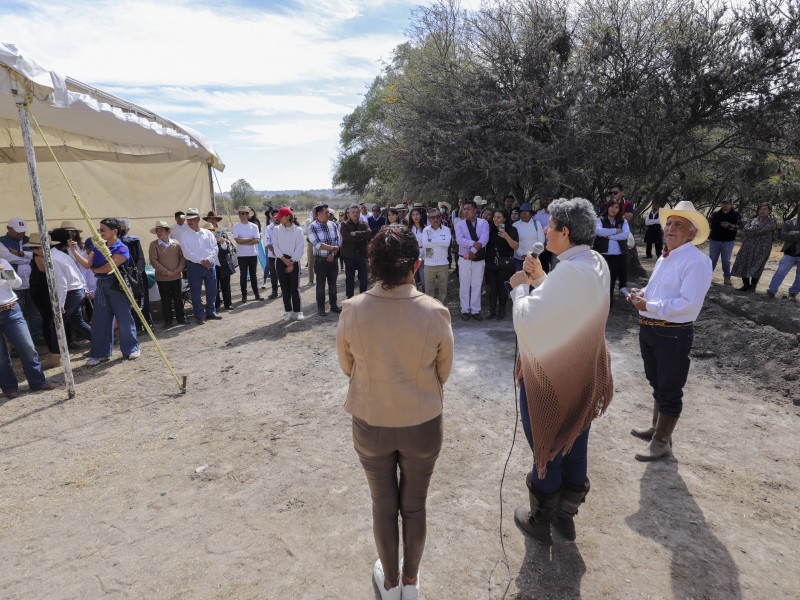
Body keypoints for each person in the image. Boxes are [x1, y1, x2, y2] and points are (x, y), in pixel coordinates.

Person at [336, 226, 453, 600]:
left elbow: (346, 365)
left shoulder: (352, 309)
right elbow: (444, 372)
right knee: (414, 507)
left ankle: (389, 585)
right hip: (422, 423)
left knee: (383, 506)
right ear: (416, 264)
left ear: (373, 267)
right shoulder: (435, 312)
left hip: (371, 422)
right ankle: (412, 583)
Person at [510, 197, 613, 544]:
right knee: (575, 441)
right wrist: (541, 279)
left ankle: (541, 520)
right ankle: (565, 518)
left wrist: (520, 289)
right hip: (584, 374)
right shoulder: (594, 261)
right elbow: (565, 303)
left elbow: (529, 319)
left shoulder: (571, 270)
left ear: (565, 232)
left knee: (549, 445)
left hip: (554, 378)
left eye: (550, 226)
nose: (545, 231)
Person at [627, 200, 712, 461]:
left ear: (692, 232)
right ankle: (657, 429)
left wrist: (648, 303)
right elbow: (660, 292)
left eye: (679, 225)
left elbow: (689, 304)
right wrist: (642, 294)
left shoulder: (697, 262)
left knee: (670, 388)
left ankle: (662, 441)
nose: (670, 229)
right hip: (651, 329)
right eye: (668, 223)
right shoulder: (668, 256)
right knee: (658, 382)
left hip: (672, 333)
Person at [69, 218, 141, 365]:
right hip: (101, 286)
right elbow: (87, 264)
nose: (100, 232)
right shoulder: (98, 247)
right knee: (101, 321)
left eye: (103, 230)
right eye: (99, 230)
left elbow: (110, 267)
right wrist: (74, 251)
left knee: (124, 318)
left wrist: (95, 270)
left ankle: (131, 348)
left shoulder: (122, 248)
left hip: (118, 285)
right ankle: (100, 353)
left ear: (114, 231)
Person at [0, 256, 56, 399]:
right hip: (10, 310)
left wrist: (4, 273)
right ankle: (9, 388)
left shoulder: (2, 262)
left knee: (27, 347)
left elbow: (18, 283)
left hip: (11, 309)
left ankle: (38, 382)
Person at [47, 228, 93, 350]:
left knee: (56, 324)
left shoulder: (54, 258)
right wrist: (84, 288)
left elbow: (62, 283)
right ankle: (100, 340)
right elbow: (77, 273)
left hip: (71, 292)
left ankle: (56, 354)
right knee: (76, 321)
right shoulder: (62, 255)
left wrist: (60, 303)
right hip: (76, 291)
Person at [0, 217, 41, 342]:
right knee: (19, 314)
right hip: (13, 286)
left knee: (36, 312)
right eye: (18, 231)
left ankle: (38, 337)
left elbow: (37, 255)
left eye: (23, 231)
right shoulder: (1, 241)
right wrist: (28, 257)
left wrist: (20, 253)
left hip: (32, 282)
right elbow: (8, 258)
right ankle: (18, 342)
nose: (21, 234)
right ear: (8, 229)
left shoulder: (30, 240)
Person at [179, 208, 221, 324]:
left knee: (212, 290)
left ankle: (210, 312)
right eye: (188, 220)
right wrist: (202, 261)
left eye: (191, 219)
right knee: (195, 292)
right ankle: (199, 315)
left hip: (209, 265)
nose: (189, 222)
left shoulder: (208, 233)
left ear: (197, 219)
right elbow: (187, 252)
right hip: (195, 266)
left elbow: (214, 248)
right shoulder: (185, 236)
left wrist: (209, 260)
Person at [455, 198, 489, 320]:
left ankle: (475, 310)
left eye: (469, 209)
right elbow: (460, 240)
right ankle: (465, 309)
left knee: (476, 284)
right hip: (464, 258)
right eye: (464, 209)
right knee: (464, 284)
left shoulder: (483, 223)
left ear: (475, 210)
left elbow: (484, 239)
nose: (466, 211)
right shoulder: (459, 224)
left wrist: (473, 252)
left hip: (478, 259)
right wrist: (474, 244)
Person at [148, 220, 186, 327]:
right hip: (163, 278)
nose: (159, 233)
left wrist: (178, 269)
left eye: (162, 230)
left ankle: (181, 318)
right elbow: (153, 261)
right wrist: (166, 272)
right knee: (165, 300)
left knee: (178, 298)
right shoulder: (153, 245)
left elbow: (182, 258)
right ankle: (168, 321)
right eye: (157, 231)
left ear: (168, 231)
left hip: (177, 276)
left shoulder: (176, 243)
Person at [731, 203, 776, 292]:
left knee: (758, 266)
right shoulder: (752, 220)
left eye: (765, 209)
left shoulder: (772, 221)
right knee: (744, 263)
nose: (762, 211)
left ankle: (753, 286)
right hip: (747, 246)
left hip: (762, 248)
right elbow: (744, 231)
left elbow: (761, 229)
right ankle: (746, 285)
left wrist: (749, 230)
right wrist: (749, 230)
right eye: (760, 209)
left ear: (769, 211)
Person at [307, 203, 342, 316]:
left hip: (333, 260)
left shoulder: (333, 225)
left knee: (333, 284)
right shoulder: (312, 226)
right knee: (320, 285)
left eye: (328, 212)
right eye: (326, 212)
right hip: (320, 261)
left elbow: (338, 239)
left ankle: (334, 305)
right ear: (318, 214)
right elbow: (317, 244)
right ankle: (321, 308)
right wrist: (332, 248)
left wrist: (332, 253)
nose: (329, 214)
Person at [271, 207, 305, 321]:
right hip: (281, 260)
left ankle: (298, 311)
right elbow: (275, 246)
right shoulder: (276, 229)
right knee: (284, 288)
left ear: (288, 217)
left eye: (281, 216)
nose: (279, 218)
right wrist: (284, 260)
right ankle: (288, 311)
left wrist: (292, 262)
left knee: (294, 287)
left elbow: (300, 248)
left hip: (294, 261)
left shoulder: (298, 230)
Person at [486, 209, 519, 320]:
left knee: (502, 287)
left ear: (504, 219)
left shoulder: (511, 229)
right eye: (494, 217)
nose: (495, 219)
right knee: (492, 288)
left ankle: (502, 311)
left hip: (504, 264)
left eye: (498, 217)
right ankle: (492, 311)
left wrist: (506, 236)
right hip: (491, 263)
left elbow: (515, 246)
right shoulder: (490, 229)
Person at [594, 200, 631, 302]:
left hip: (617, 255)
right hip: (603, 254)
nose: (613, 209)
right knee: (601, 279)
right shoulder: (600, 219)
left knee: (611, 280)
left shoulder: (623, 221)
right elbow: (599, 231)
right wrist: (616, 231)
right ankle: (597, 304)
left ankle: (607, 304)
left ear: (619, 210)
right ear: (607, 207)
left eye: (616, 207)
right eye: (611, 206)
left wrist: (609, 237)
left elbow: (625, 235)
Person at [119, 218, 152, 330]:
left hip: (136, 276)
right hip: (123, 276)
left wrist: (136, 272)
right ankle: (135, 326)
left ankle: (147, 323)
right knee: (129, 303)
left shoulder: (134, 240)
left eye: (121, 226)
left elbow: (140, 258)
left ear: (128, 228)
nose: (119, 228)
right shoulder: (115, 242)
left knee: (142, 301)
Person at [203, 212, 236, 312]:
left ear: (217, 220)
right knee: (213, 286)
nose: (212, 221)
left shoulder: (221, 231)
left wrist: (222, 242)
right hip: (211, 262)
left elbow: (227, 246)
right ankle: (216, 304)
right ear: (207, 220)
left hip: (223, 261)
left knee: (226, 284)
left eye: (214, 219)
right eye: (210, 219)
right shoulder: (203, 232)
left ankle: (228, 303)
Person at [340, 204, 372, 299]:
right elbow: (347, 238)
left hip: (362, 255)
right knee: (350, 279)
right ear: (349, 214)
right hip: (350, 256)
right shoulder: (344, 225)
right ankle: (350, 299)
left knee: (363, 279)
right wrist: (362, 237)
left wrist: (356, 233)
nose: (355, 214)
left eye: (357, 212)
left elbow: (369, 234)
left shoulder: (363, 224)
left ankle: (363, 298)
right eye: (353, 212)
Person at [766, 211, 800, 300]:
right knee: (780, 273)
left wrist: (795, 233)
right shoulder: (789, 223)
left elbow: (788, 235)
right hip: (789, 253)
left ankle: (793, 294)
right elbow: (783, 236)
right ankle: (771, 292)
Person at [421, 208, 452, 304]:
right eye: (433, 217)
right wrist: (439, 242)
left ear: (441, 218)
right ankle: (430, 310)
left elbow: (446, 243)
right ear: (429, 219)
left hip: (443, 264)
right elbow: (425, 245)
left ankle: (441, 308)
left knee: (443, 290)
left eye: (438, 217)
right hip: (429, 264)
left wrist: (432, 240)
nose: (435, 219)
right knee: (429, 290)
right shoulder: (426, 229)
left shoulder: (446, 229)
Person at [233, 206, 263, 303]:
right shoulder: (236, 226)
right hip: (242, 255)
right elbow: (238, 240)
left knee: (254, 275)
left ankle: (256, 294)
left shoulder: (253, 226)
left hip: (252, 254)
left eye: (243, 213)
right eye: (240, 213)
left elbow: (257, 240)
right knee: (243, 276)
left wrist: (244, 241)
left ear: (247, 214)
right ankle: (244, 295)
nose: (241, 215)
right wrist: (250, 239)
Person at [707, 197, 741, 285]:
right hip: (715, 240)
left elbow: (741, 226)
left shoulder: (737, 215)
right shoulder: (715, 214)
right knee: (712, 260)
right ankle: (707, 277)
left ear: (731, 205)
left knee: (726, 260)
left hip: (728, 241)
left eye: (728, 203)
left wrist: (730, 226)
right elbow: (708, 224)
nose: (725, 205)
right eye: (724, 203)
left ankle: (727, 278)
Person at [513, 202, 545, 272]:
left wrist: (534, 255)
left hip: (534, 258)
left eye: (526, 212)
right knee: (520, 281)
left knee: (533, 281)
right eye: (522, 212)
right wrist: (521, 255)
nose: (524, 214)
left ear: (531, 214)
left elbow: (541, 240)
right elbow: (513, 242)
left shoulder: (537, 224)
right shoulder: (515, 225)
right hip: (519, 259)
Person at [261, 208, 280, 298]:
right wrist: (275, 252)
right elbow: (268, 242)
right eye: (274, 216)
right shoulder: (269, 228)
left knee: (283, 274)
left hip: (283, 255)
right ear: (271, 217)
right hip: (272, 255)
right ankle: (274, 291)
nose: (276, 218)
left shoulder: (284, 226)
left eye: (278, 216)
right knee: (273, 274)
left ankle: (285, 291)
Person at [408, 207, 427, 291]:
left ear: (421, 216)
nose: (415, 217)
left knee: (424, 281)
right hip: (412, 257)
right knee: (413, 281)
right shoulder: (409, 229)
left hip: (424, 258)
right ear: (411, 217)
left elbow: (430, 244)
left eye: (417, 214)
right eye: (413, 215)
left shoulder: (426, 228)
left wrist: (429, 257)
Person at [534, 198, 554, 272]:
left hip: (556, 244)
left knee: (555, 267)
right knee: (544, 268)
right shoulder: (537, 216)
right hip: (543, 245)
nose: (547, 201)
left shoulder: (557, 214)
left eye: (549, 199)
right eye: (545, 199)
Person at [303, 212, 316, 286]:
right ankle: (311, 280)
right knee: (310, 261)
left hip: (320, 243)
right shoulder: (309, 221)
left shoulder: (322, 221)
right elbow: (306, 232)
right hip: (311, 242)